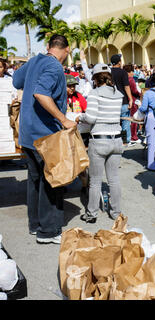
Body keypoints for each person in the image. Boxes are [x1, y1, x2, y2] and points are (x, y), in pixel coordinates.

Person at [12, 34, 76, 245]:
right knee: (51, 180)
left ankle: (35, 224)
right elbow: (41, 93)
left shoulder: (34, 61)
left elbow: (16, 80)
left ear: (49, 46)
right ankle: (48, 231)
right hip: (45, 135)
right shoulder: (55, 66)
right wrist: (64, 119)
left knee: (35, 180)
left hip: (28, 134)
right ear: (66, 50)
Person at [76, 64, 124, 223]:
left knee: (95, 182)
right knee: (114, 179)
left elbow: (91, 118)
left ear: (95, 78)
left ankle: (91, 214)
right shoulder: (118, 94)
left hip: (99, 140)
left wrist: (79, 117)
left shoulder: (95, 93)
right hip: (117, 139)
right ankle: (116, 213)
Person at [110, 54, 133, 145]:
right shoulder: (123, 72)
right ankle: (125, 140)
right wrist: (130, 99)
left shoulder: (108, 72)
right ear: (119, 62)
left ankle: (114, 139)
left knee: (113, 121)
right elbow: (126, 87)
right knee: (125, 121)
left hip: (112, 101)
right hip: (123, 100)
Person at [124, 64, 142, 146]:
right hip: (133, 100)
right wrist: (141, 94)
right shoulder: (131, 80)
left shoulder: (123, 78)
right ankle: (133, 136)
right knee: (133, 120)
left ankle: (126, 136)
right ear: (130, 72)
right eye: (133, 71)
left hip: (125, 101)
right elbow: (134, 91)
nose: (133, 73)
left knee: (125, 120)